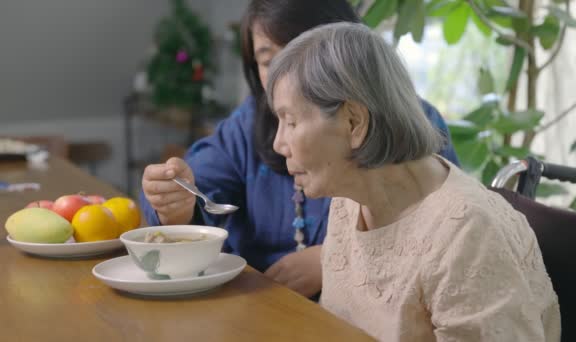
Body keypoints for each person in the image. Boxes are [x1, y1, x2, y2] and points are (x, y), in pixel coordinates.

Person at [140, 0, 460, 298]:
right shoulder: (248, 124)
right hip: (257, 307)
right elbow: (193, 186)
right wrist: (177, 204)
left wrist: (337, 258)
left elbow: (439, 236)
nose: (284, 74)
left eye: (300, 51)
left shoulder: (405, 124)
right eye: (268, 60)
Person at [267, 22, 560, 341]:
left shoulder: (467, 235)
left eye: (291, 121)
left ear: (354, 122)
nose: (278, 144)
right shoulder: (350, 200)